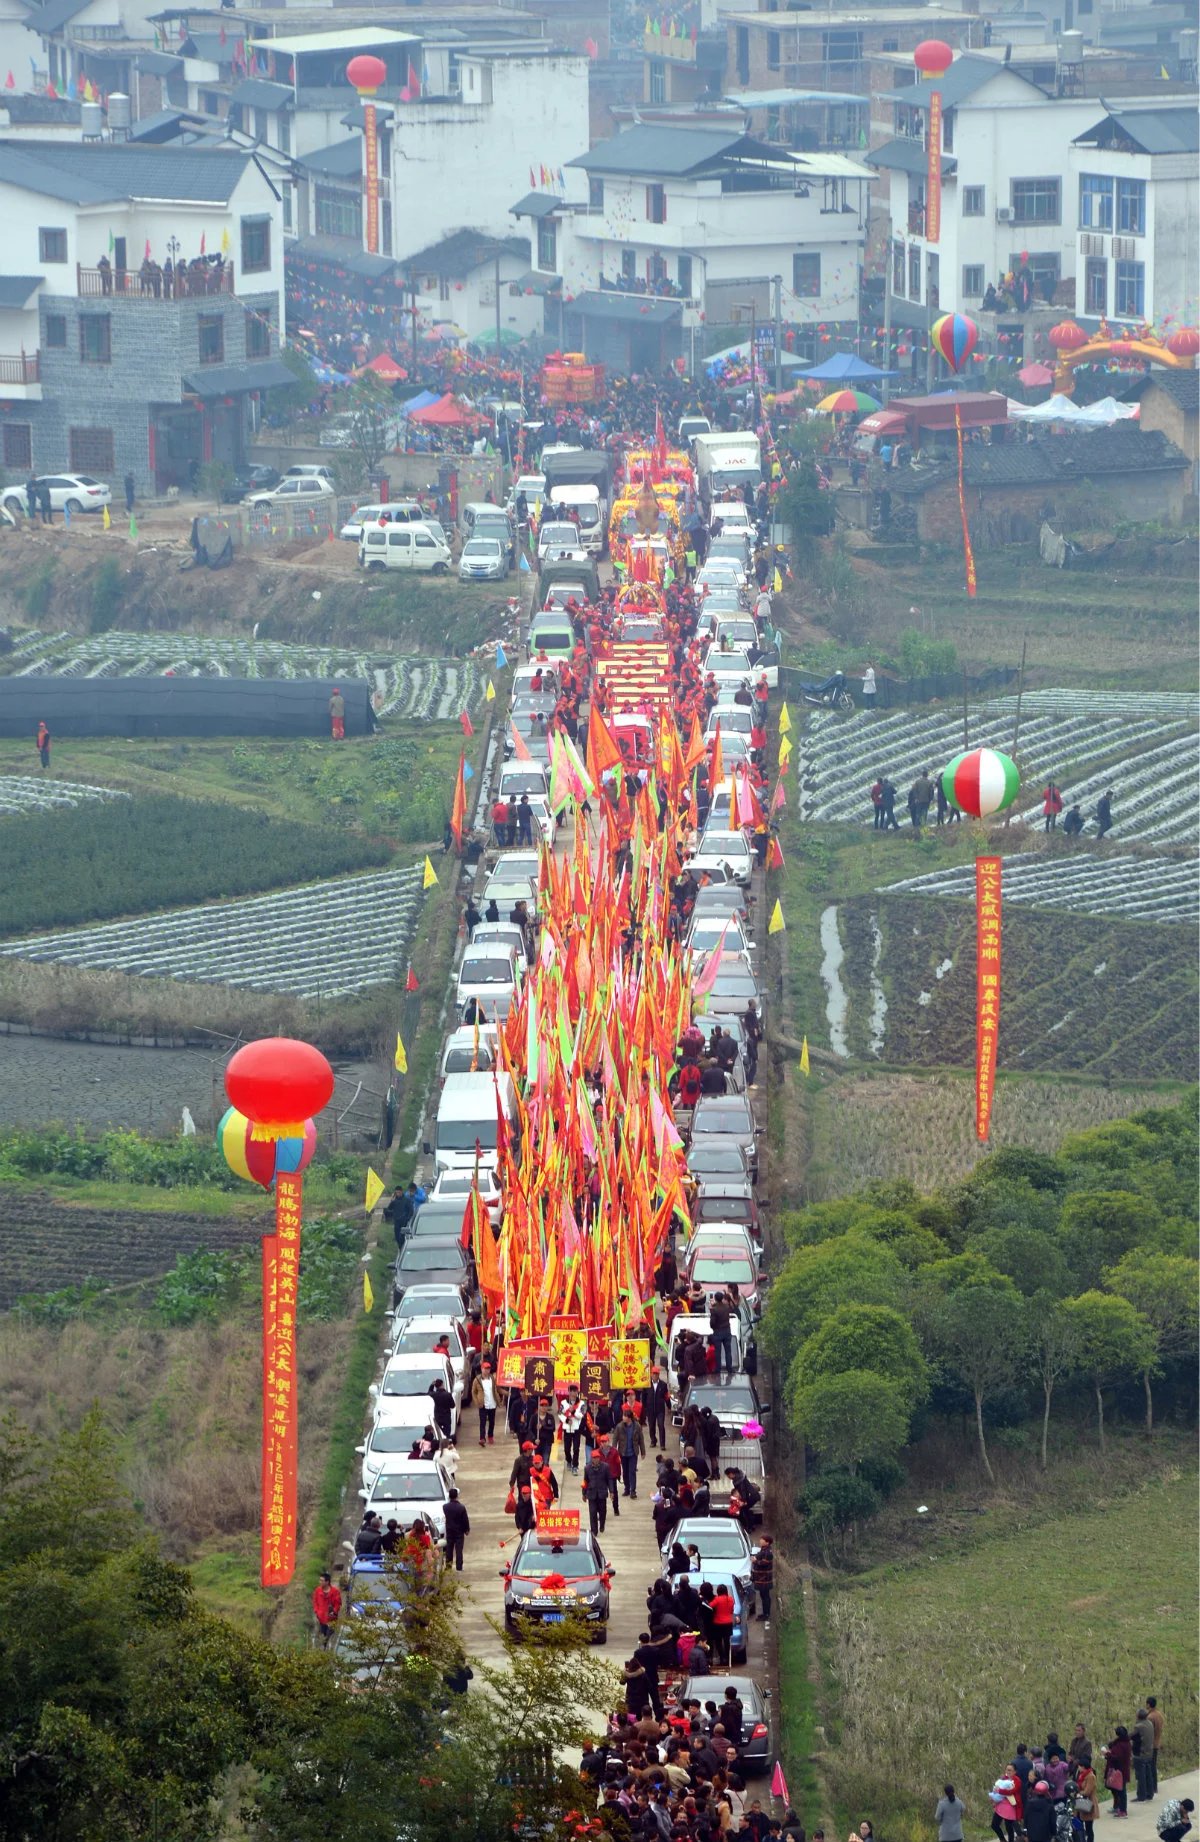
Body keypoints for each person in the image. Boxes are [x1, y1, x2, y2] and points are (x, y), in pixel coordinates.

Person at [615, 1405, 646, 1498]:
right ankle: (627, 1489)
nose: (623, 1417)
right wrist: (614, 1450)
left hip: (633, 1453)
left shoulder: (637, 1426)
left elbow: (641, 1439)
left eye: (624, 1416)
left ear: (629, 1418)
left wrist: (643, 1452)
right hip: (623, 1453)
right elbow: (615, 1439)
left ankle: (633, 1491)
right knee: (625, 1472)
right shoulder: (619, 1426)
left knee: (632, 1471)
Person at [1103, 1727, 1132, 1817]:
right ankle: (1117, 1807)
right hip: (1117, 1769)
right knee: (1115, 1789)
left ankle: (1123, 1810)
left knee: (1121, 1790)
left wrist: (1107, 1753)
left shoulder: (1122, 1745)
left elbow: (1117, 1758)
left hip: (1119, 1771)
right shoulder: (1123, 1742)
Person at [582, 1446, 610, 1534]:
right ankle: (594, 1531)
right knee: (592, 1513)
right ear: (592, 1459)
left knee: (603, 1511)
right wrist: (584, 1494)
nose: (596, 1459)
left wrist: (612, 1491)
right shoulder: (587, 1468)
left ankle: (602, 1525)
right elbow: (585, 1481)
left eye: (597, 1457)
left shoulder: (605, 1467)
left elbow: (609, 1480)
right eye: (594, 1458)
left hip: (602, 1493)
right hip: (591, 1494)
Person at [559, 1385, 586, 1472]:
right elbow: (560, 1414)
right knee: (567, 1449)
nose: (573, 1393)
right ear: (569, 1392)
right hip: (567, 1428)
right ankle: (569, 1460)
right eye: (571, 1391)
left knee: (576, 1448)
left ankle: (575, 1466)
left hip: (577, 1428)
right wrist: (566, 1420)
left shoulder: (581, 1403)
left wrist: (573, 1411)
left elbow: (581, 1415)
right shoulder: (563, 1402)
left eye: (575, 1391)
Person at [471, 1359, 498, 1446]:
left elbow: (497, 1389)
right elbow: (473, 1392)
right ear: (482, 1369)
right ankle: (482, 1438)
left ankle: (490, 1436)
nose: (487, 1371)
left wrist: (506, 1394)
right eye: (485, 1369)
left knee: (492, 1421)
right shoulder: (477, 1380)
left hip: (492, 1403)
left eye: (488, 1369)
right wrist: (477, 1402)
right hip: (483, 1404)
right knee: (482, 1422)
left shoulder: (492, 1378)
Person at [1131, 1710, 1156, 1803]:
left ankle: (1141, 1796)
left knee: (1141, 1776)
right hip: (1149, 1753)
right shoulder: (1150, 1723)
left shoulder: (1139, 1726)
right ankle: (1150, 1794)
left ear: (1138, 1716)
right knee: (1148, 1775)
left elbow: (1131, 1736)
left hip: (1141, 1754)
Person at [443, 1487, 470, 1571]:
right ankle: (459, 1567)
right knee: (459, 1550)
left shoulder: (445, 1507)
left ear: (449, 1496)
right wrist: (466, 1530)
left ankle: (448, 1566)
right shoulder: (461, 1507)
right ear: (457, 1496)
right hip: (459, 1531)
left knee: (449, 1549)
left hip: (449, 1531)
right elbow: (465, 1520)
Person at [312, 1571, 341, 1647]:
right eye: (320, 1580)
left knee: (329, 1635)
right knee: (323, 1634)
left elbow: (338, 1604)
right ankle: (323, 1647)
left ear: (327, 1582)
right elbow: (315, 1602)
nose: (320, 1582)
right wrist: (317, 1611)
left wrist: (334, 1612)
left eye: (322, 1580)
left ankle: (328, 1647)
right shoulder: (318, 1591)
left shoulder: (335, 1592)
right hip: (321, 1618)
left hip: (331, 1619)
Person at [749, 1533, 773, 1625]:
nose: (760, 1541)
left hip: (764, 1579)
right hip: (761, 1579)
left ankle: (766, 1614)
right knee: (763, 1596)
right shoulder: (763, 1550)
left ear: (767, 1542)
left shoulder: (768, 1553)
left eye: (762, 1540)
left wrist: (755, 1561)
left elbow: (764, 1563)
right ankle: (765, 1613)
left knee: (765, 1597)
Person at [710, 1584, 735, 1665]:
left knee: (718, 1642)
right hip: (728, 1622)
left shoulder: (717, 1599)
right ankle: (727, 1658)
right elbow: (731, 1610)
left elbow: (710, 1606)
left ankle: (721, 1658)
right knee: (727, 1641)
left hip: (718, 1623)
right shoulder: (731, 1599)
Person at [646, 1366, 669, 1449]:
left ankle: (662, 1444)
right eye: (653, 1374)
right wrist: (645, 1409)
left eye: (656, 1374)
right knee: (651, 1426)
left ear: (659, 1375)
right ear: (651, 1374)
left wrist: (669, 1406)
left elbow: (666, 1397)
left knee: (661, 1425)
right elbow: (644, 1397)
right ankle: (653, 1441)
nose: (655, 1375)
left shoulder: (663, 1385)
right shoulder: (647, 1385)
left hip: (660, 1410)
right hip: (650, 1409)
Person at [1146, 1698, 1163, 1795]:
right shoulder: (1159, 1715)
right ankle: (1154, 1787)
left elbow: (1148, 1732)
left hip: (1151, 1745)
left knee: (1150, 1766)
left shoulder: (1150, 1717)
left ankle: (1152, 1787)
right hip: (1157, 1743)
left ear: (1148, 1704)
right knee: (1153, 1765)